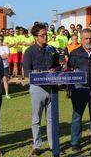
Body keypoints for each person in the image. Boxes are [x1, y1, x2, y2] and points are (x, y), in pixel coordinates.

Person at [23, 23, 60, 157]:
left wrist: (55, 70)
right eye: (42, 35)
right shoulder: (29, 51)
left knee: (51, 119)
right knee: (36, 119)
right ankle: (37, 145)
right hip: (37, 88)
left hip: (52, 88)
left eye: (46, 34)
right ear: (35, 37)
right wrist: (41, 72)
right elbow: (26, 72)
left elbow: (58, 66)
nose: (45, 37)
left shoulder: (52, 49)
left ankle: (52, 144)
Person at [68, 28, 91, 152]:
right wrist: (71, 89)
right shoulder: (74, 53)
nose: (89, 40)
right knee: (77, 116)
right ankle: (75, 143)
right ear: (81, 39)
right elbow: (68, 72)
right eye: (86, 38)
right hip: (79, 88)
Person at [0, 35, 11, 99]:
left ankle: (7, 94)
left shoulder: (6, 47)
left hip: (5, 66)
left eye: (1, 39)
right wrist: (1, 56)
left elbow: (7, 56)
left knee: (5, 80)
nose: (0, 41)